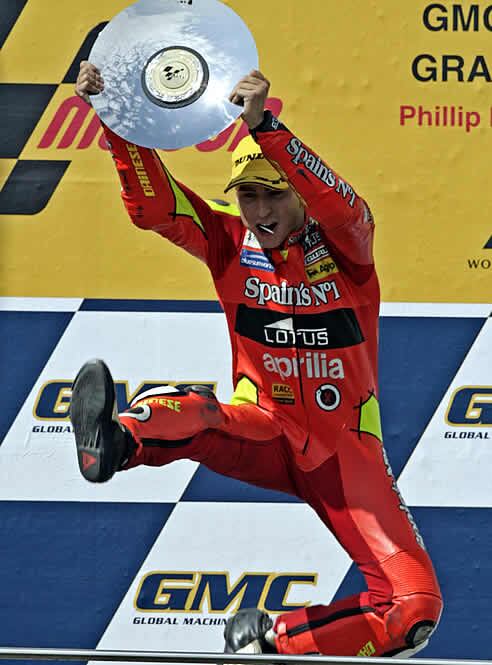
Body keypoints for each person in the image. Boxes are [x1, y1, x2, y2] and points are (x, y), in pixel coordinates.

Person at [72, 62, 443, 658]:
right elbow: (155, 209)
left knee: (413, 609)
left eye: (273, 194)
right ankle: (115, 441)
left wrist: (265, 128)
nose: (258, 208)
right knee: (202, 413)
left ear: (299, 196)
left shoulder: (348, 248)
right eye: (248, 194)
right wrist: (118, 121)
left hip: (343, 452)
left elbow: (346, 206)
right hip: (262, 427)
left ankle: (271, 641)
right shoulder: (227, 244)